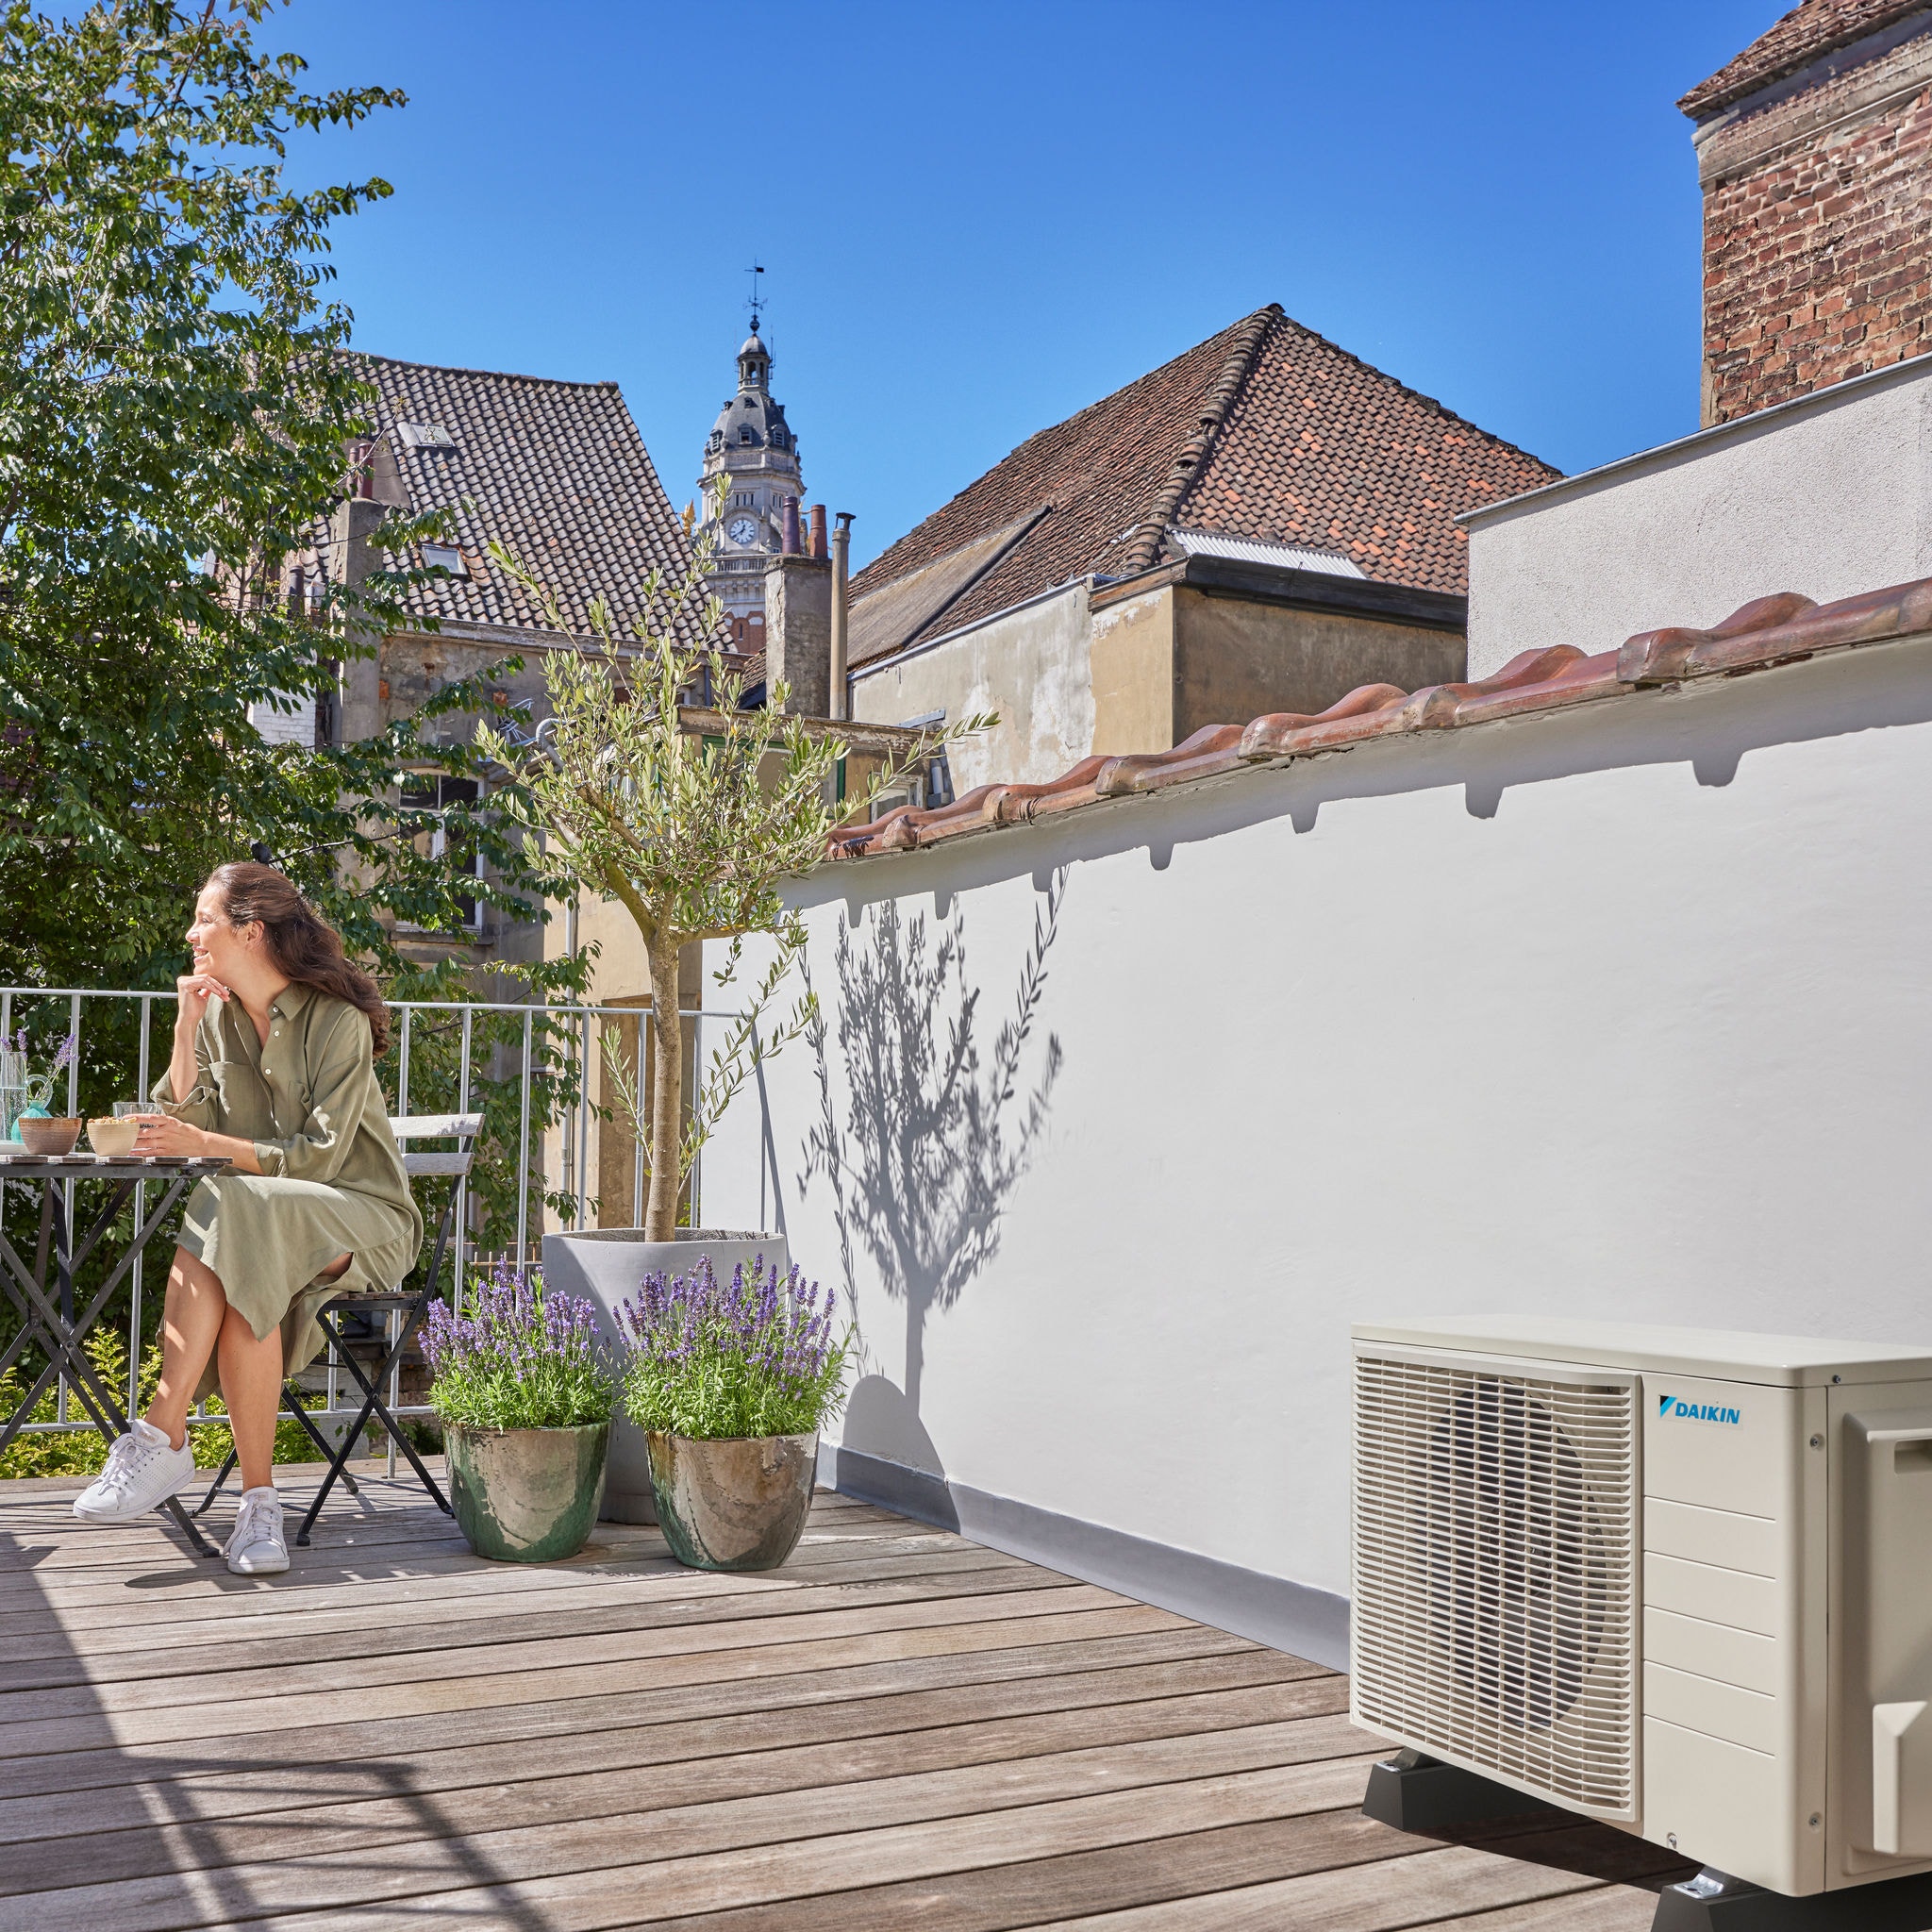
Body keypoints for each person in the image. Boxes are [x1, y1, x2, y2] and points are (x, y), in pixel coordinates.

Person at [70, 862, 421, 1574]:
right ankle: (260, 1508)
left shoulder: (336, 1022)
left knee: (233, 1210)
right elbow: (185, 1121)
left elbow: (321, 1159)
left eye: (204, 918)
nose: (191, 933)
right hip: (260, 1224)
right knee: (242, 1261)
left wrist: (205, 1145)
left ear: (250, 931)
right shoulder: (220, 1018)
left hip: (365, 1219)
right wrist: (184, 1025)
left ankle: (163, 1435)